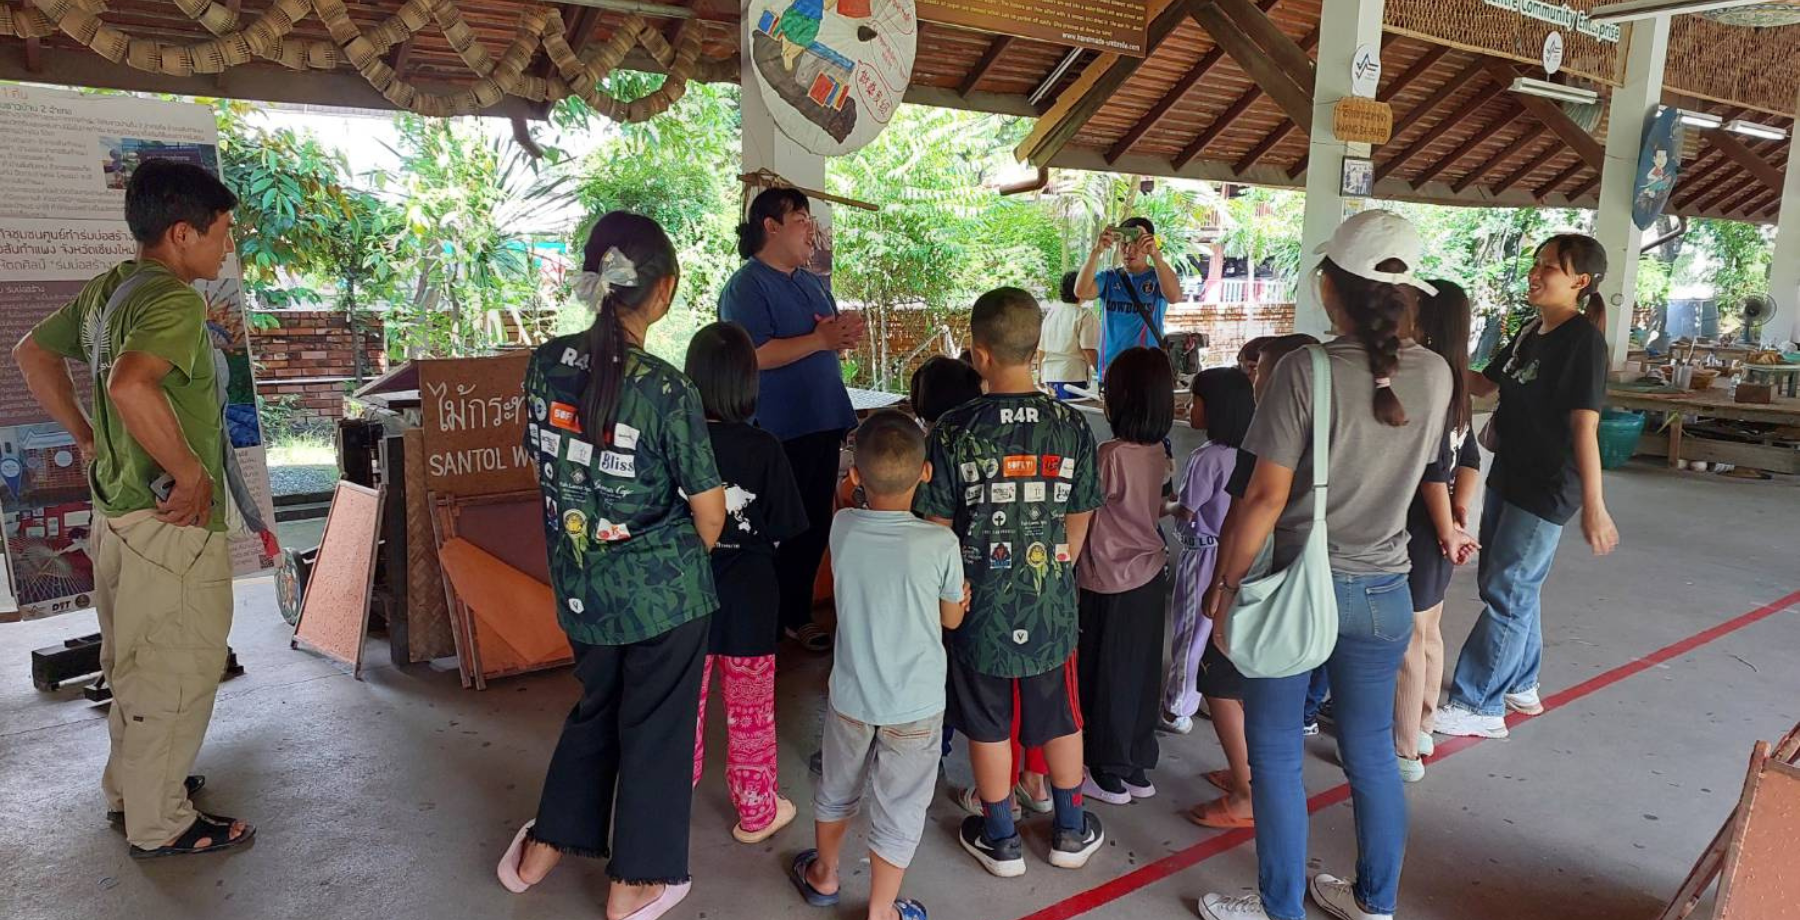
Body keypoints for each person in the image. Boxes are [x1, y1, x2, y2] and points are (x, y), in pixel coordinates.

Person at [1197, 210, 1465, 920]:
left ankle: (1280, 908)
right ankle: (1375, 904)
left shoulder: (1301, 370)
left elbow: (1261, 498)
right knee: (1373, 753)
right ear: (1412, 294)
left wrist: (1223, 589)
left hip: (1295, 589)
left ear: (1329, 287)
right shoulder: (1437, 374)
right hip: (1385, 590)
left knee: (1279, 754)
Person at [15, 159, 252, 858]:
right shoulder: (175, 301)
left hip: (119, 517)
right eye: (222, 232)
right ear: (183, 233)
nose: (226, 247)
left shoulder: (111, 290)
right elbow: (130, 386)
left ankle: (136, 789)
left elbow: (32, 354)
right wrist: (190, 475)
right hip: (168, 525)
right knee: (179, 667)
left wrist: (85, 439)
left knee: (134, 666)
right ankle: (161, 822)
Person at [498, 212, 727, 920]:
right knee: (656, 727)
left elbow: (545, 458)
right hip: (663, 596)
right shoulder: (667, 390)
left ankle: (545, 849)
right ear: (663, 293)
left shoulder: (544, 361)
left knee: (596, 707)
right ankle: (635, 883)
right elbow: (710, 511)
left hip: (579, 583)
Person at [915, 286, 1106, 878]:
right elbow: (1080, 516)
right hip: (1050, 603)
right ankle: (1070, 831)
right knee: (1061, 717)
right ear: (1038, 348)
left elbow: (937, 527)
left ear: (980, 355)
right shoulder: (1072, 425)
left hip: (976, 606)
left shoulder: (951, 429)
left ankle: (1001, 839)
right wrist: (1053, 568)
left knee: (988, 723)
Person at [1436, 234, 1619, 740]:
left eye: (1549, 269)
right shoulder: (1530, 331)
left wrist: (1594, 505)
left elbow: (1585, 428)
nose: (1535, 275)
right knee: (1513, 585)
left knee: (1507, 591)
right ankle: (1521, 679)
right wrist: (1432, 360)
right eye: (1536, 265)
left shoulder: (1583, 344)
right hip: (1510, 475)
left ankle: (1479, 705)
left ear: (1580, 282)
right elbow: (1485, 385)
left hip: (1547, 485)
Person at [790, 411, 967, 920]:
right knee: (901, 803)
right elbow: (951, 620)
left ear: (855, 475)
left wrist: (852, 487)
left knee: (837, 786)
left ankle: (824, 874)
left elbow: (849, 504)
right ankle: (882, 910)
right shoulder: (940, 544)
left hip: (851, 696)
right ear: (926, 472)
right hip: (915, 704)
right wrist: (959, 598)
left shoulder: (843, 527)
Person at [721, 188, 865, 653]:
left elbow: (822, 340)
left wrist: (841, 337)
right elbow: (754, 356)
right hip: (776, 429)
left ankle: (797, 614)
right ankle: (763, 617)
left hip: (822, 419)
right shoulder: (747, 286)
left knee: (812, 525)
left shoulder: (811, 282)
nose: (811, 229)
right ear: (771, 226)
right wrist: (821, 341)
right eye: (801, 218)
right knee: (770, 527)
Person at [684, 321, 809, 843]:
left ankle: (664, 802)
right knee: (751, 713)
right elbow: (787, 527)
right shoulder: (764, 447)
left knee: (678, 706)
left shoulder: (677, 444)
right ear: (748, 383)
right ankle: (757, 812)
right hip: (752, 603)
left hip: (682, 599)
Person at [1076, 347, 1175, 806]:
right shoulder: (1159, 452)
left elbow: (1084, 511)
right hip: (1150, 573)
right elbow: (1155, 508)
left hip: (1109, 577)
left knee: (1106, 673)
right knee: (1140, 672)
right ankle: (1136, 761)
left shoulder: (1110, 454)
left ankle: (1107, 771)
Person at [1395, 282, 1482, 781]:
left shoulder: (1426, 379)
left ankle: (1405, 749)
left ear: (1423, 321)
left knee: (1410, 637)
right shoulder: (1456, 380)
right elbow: (1465, 459)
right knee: (1429, 630)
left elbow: (1433, 466)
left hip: (1418, 524)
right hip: (1440, 524)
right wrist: (1458, 510)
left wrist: (1447, 524)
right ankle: (1423, 724)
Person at [1160, 368, 1255, 823]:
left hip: (1202, 554)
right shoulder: (1251, 454)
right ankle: (1191, 701)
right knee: (1212, 634)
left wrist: (1155, 502)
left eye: (1195, 400)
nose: (1188, 408)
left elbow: (1187, 508)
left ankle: (1178, 706)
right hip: (1234, 554)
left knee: (1187, 632)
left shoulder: (1206, 456)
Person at [1075, 217, 1181, 377]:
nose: (1129, 250)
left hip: (1148, 371)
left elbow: (1174, 297)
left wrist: (1156, 255)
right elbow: (1081, 292)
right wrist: (1096, 251)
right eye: (1124, 244)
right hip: (1111, 369)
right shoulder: (1109, 277)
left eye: (1136, 244)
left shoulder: (1158, 276)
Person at [1039, 271, 1101, 399]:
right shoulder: (1084, 315)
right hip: (1072, 376)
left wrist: (1041, 373)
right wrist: (1103, 374)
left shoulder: (1052, 313)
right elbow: (1088, 349)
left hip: (1050, 375)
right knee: (1071, 416)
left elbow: (1041, 348)